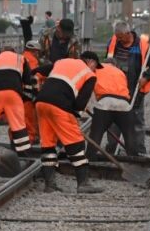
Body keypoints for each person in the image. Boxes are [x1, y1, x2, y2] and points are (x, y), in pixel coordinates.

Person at [33, 56, 103, 194]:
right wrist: (73, 114)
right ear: (91, 62)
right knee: (75, 143)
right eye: (96, 66)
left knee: (48, 144)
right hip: (59, 106)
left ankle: (50, 184)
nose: (95, 70)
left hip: (41, 103)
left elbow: (35, 71)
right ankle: (83, 183)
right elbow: (81, 103)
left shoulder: (61, 62)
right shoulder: (89, 74)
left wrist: (36, 89)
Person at [105, 21, 150, 155]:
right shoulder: (113, 43)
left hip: (135, 90)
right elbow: (106, 62)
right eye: (117, 37)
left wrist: (146, 77)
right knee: (113, 121)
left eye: (121, 37)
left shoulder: (142, 46)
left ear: (128, 34)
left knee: (137, 121)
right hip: (115, 89)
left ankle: (139, 151)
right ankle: (111, 149)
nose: (118, 40)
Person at [80, 52, 137, 161]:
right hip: (124, 105)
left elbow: (88, 88)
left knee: (96, 134)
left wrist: (86, 106)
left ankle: (90, 159)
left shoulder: (97, 68)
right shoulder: (121, 72)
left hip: (104, 103)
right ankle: (134, 160)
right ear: (115, 65)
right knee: (130, 135)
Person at [21, 40, 43, 145]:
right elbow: (34, 78)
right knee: (29, 116)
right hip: (29, 93)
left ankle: (18, 139)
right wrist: (36, 94)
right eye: (37, 51)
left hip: (21, 92)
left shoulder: (22, 57)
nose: (38, 54)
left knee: (22, 117)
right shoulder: (32, 60)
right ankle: (30, 139)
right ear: (33, 51)